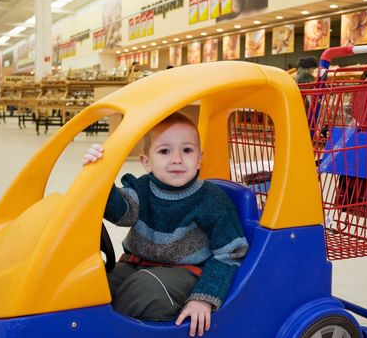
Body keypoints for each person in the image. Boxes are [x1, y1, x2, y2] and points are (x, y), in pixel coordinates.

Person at [83, 112, 248, 337]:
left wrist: (205, 297)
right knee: (95, 283)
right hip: (136, 264)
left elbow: (230, 253)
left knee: (145, 289)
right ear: (146, 162)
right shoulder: (142, 188)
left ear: (199, 158)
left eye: (187, 150)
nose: (177, 159)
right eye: (164, 151)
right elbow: (120, 211)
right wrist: (98, 174)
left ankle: (110, 330)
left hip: (186, 273)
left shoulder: (212, 201)